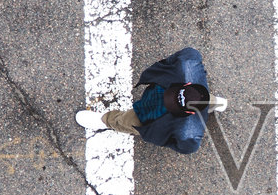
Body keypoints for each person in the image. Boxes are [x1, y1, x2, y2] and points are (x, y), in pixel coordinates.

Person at [75, 46, 228, 155]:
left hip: (149, 114)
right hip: (196, 96)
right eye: (173, 95)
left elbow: (186, 148)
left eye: (174, 104)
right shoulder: (188, 64)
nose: (168, 100)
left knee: (129, 121)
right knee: (204, 99)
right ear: (187, 84)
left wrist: (159, 135)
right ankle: (215, 103)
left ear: (187, 114)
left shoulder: (189, 131)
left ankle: (106, 120)